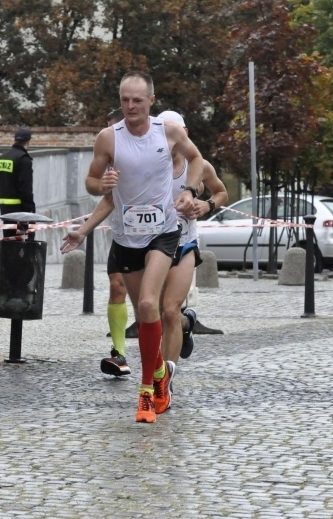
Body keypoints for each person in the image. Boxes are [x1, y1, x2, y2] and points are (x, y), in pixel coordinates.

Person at [63, 71, 204, 423]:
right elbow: (94, 183)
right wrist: (100, 188)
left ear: (151, 101)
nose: (130, 106)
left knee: (146, 303)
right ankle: (159, 374)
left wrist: (190, 190)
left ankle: (146, 394)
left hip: (164, 233)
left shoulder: (167, 132)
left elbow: (198, 160)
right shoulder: (108, 138)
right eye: (125, 99)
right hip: (126, 237)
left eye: (137, 100)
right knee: (146, 315)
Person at [155, 110, 228, 372]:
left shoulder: (198, 166)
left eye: (175, 132)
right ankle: (187, 325)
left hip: (185, 243)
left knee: (170, 311)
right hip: (155, 245)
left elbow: (221, 192)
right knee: (161, 314)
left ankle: (164, 380)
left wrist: (206, 206)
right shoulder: (150, 165)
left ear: (185, 134)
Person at [98, 108, 132, 377]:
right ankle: (119, 353)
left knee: (157, 304)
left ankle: (184, 324)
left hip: (158, 238)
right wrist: (82, 231)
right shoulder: (112, 162)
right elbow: (108, 200)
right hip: (122, 235)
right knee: (117, 285)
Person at [0, 128, 34, 236]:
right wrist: (30, 209)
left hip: (4, 207)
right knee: (25, 240)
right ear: (28, 141)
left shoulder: (3, 157)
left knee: (8, 239)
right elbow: (25, 187)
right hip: (20, 209)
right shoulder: (23, 159)